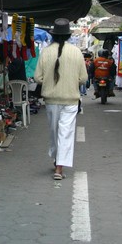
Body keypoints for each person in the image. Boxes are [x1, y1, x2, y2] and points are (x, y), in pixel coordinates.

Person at [33, 18, 88, 180]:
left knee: (54, 132)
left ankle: (57, 161)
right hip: (70, 100)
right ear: (68, 35)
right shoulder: (76, 52)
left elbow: (37, 77)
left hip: (51, 100)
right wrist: (71, 82)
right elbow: (83, 78)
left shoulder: (46, 52)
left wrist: (49, 82)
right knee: (65, 133)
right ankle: (59, 168)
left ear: (54, 35)